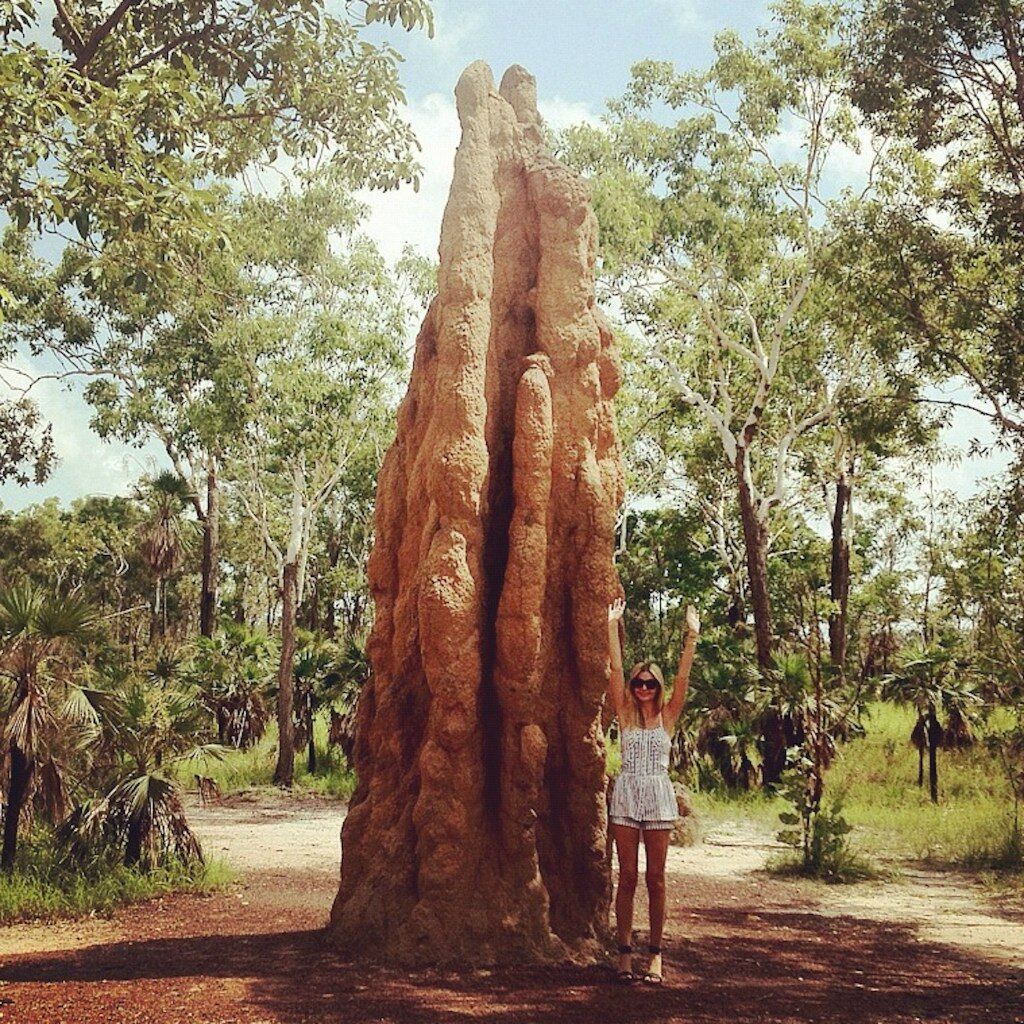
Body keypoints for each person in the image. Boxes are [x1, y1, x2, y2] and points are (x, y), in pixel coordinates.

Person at [606, 596, 700, 985]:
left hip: (659, 797)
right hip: (627, 795)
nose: (644, 687)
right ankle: (625, 954)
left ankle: (656, 956)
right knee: (627, 876)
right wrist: (612, 625)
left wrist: (691, 638)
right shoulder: (625, 713)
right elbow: (614, 668)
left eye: (650, 683)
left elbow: (683, 680)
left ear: (658, 687)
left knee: (656, 878)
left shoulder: (669, 715)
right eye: (638, 682)